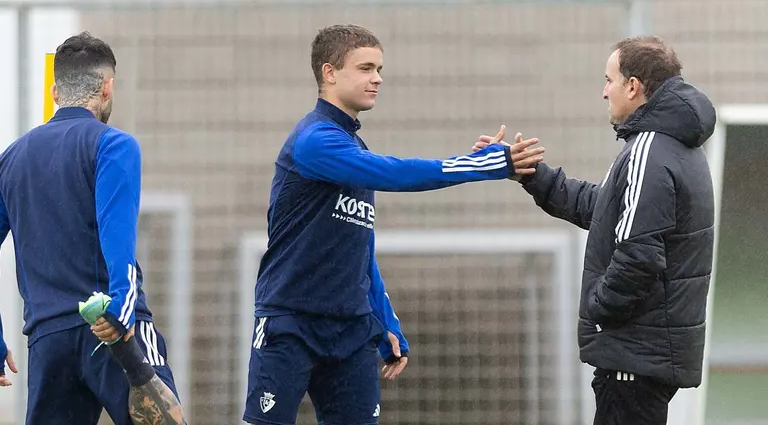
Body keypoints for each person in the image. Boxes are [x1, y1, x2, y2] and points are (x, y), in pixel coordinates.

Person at [243, 24, 544, 425]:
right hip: (291, 324)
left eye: (379, 68)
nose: (377, 78)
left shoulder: (353, 144)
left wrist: (383, 319)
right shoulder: (314, 141)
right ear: (329, 73)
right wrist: (483, 164)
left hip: (352, 330)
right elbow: (396, 173)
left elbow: (359, 250)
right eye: (366, 68)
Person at [474, 35, 716, 424]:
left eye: (609, 80)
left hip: (634, 355)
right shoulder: (671, 145)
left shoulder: (650, 150)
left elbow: (639, 255)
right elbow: (604, 210)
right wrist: (529, 172)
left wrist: (599, 309)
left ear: (633, 86)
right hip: (644, 355)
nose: (604, 92)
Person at [0, 32, 186, 425]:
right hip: (110, 327)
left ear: (54, 91)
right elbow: (117, 237)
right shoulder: (114, 144)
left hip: (48, 340)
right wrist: (122, 314)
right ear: (106, 88)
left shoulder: (11, 159)